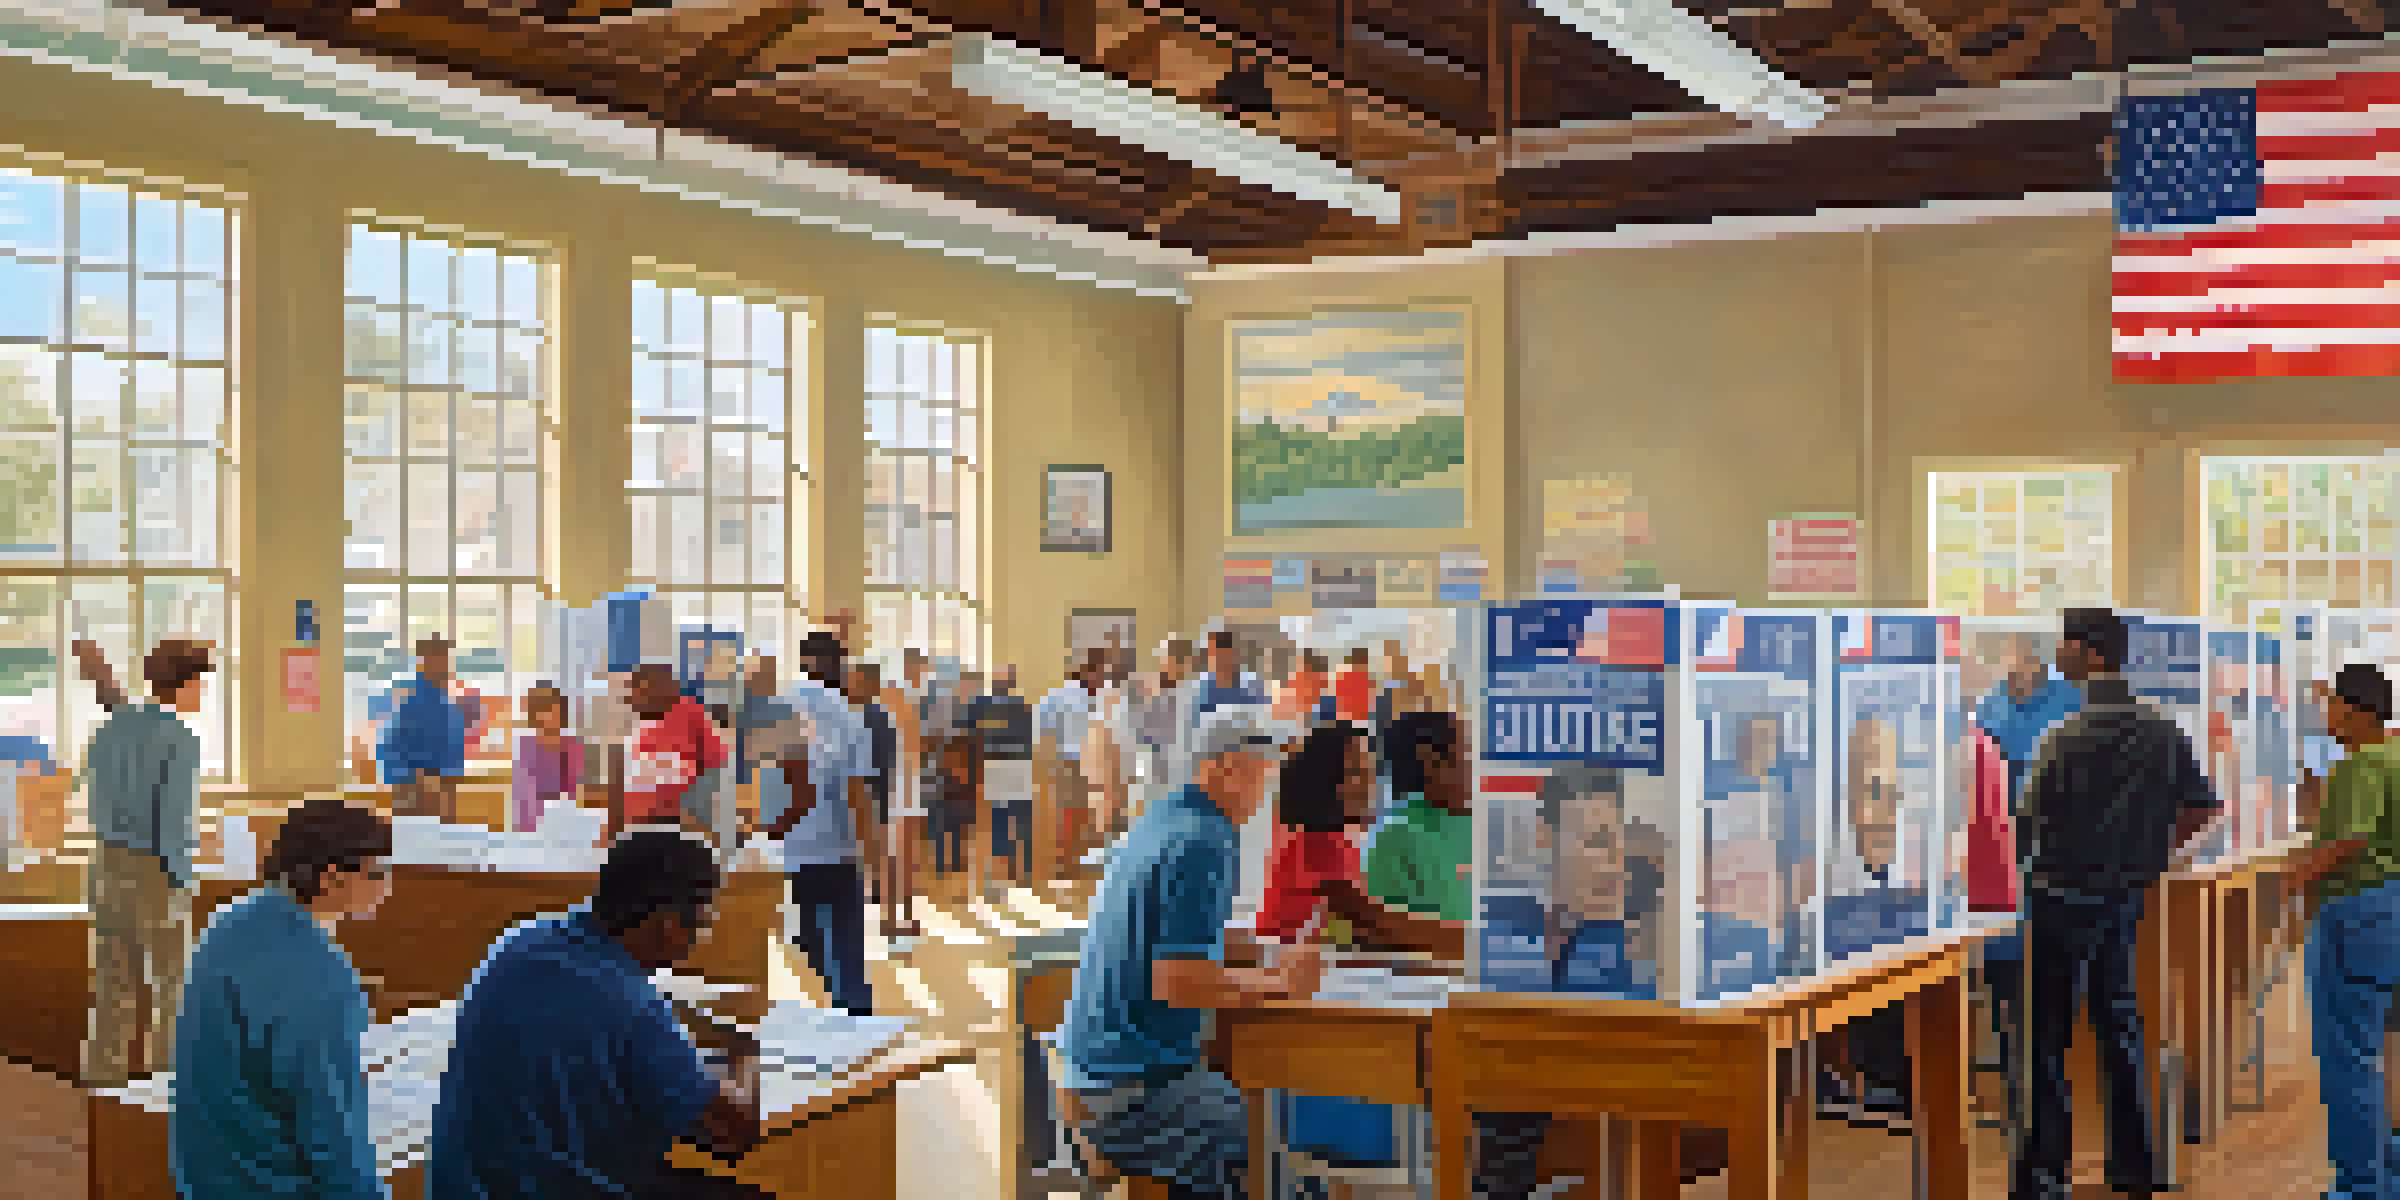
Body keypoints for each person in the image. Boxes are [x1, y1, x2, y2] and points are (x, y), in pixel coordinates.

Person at [1053, 706, 1322, 1200]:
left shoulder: (1165, 818)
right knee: (1287, 1178)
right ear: (1226, 767)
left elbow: (1182, 936)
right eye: (1263, 769)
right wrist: (1278, 983)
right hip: (1131, 1093)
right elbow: (1177, 982)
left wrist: (1265, 952)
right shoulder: (1206, 840)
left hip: (1096, 1073)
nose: (1268, 787)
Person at [426, 831, 769, 1200]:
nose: (699, 940)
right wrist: (745, 1050)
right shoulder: (634, 1006)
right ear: (668, 924)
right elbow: (732, 1135)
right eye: (702, 924)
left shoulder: (519, 943)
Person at [2011, 608, 2220, 1200]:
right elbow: (2203, 809)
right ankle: (2136, 1168)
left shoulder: (2060, 738)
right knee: (2119, 1025)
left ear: (2093, 653)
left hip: (2058, 898)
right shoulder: (2161, 730)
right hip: (2125, 898)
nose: (2058, 651)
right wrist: (2154, 853)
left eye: (2067, 643)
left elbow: (2026, 825)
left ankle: (2047, 1179)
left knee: (2049, 1039)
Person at [172, 798, 395, 1199]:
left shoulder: (230, 921)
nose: (387, 887)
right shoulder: (319, 974)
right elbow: (330, 1131)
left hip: (204, 1177)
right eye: (378, 872)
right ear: (331, 879)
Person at [82, 638, 214, 1088]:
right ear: (186, 682)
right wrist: (184, 878)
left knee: (113, 984)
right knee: (172, 985)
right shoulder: (179, 738)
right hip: (154, 869)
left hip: (104, 863)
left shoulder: (111, 728)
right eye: (202, 683)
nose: (203, 693)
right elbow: (172, 823)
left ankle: (103, 1085)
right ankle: (167, 1087)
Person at [2289, 663, 2400, 1200]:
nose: (2325, 712)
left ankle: (2361, 1186)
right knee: (2373, 1048)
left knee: (2347, 1054)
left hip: (2354, 911)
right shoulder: (2393, 756)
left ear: (2357, 709)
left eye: (2330, 703)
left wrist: (2297, 876)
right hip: (2389, 912)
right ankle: (2387, 1170)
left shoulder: (2364, 764)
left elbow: (2350, 842)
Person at [759, 630, 876, 1015]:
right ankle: (853, 1014)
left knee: (804, 935)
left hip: (789, 849)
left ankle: (825, 998)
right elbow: (858, 793)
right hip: (837, 847)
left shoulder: (779, 707)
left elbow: (766, 779)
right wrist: (869, 855)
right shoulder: (851, 719)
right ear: (838, 665)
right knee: (845, 939)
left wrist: (765, 833)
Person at [846, 662, 908, 937]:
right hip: (870, 794)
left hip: (869, 793)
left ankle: (877, 904)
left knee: (869, 851)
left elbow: (886, 763)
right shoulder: (871, 717)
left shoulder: (868, 718)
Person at [378, 636, 468, 821]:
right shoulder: (407, 701)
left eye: (446, 660)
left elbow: (455, 752)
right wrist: (418, 781)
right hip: (412, 789)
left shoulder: (449, 705)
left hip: (442, 788)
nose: (444, 666)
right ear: (424, 662)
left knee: (442, 840)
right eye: (438, 660)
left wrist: (447, 784)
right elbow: (392, 750)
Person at [971, 664, 1037, 891]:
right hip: (1001, 769)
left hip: (1010, 770)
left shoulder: (1019, 708)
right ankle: (1008, 873)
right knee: (1004, 823)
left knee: (1014, 823)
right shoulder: (983, 706)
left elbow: (1028, 741)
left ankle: (1018, 872)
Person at [1038, 652, 1106, 872]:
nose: (1102, 678)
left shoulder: (1066, 695)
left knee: (1074, 813)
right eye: (1099, 673)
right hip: (1070, 762)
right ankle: (1064, 862)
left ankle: (1069, 861)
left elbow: (1040, 725)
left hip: (1079, 762)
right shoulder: (1068, 696)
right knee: (1069, 813)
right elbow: (1041, 726)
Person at [511, 683, 587, 834]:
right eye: (542, 710)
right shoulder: (525, 746)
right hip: (532, 823)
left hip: (567, 818)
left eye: (552, 709)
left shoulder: (573, 746)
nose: (548, 715)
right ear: (533, 714)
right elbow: (522, 793)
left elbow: (576, 790)